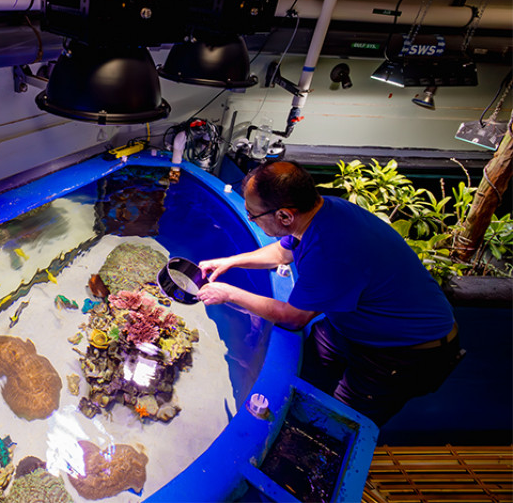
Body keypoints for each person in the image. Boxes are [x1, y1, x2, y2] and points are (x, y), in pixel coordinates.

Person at [197, 160, 461, 427]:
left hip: (404, 351)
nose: (250, 219)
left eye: (253, 215)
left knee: (336, 422)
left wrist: (228, 294)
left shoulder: (330, 250)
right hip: (349, 327)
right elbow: (282, 251)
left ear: (285, 216)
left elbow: (293, 317)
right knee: (300, 376)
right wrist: (231, 261)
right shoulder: (324, 210)